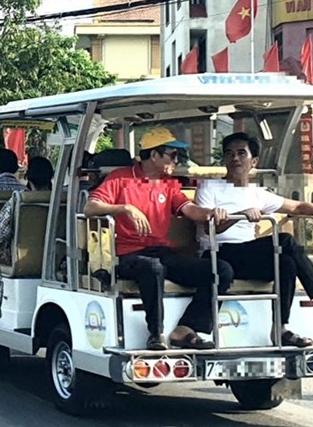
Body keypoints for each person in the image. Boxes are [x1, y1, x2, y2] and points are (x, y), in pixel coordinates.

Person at [84, 128, 233, 351]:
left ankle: (187, 328)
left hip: (162, 252)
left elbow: (189, 209)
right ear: (154, 155)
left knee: (221, 269)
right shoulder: (120, 178)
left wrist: (211, 213)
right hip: (128, 254)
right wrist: (125, 208)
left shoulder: (168, 184)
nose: (177, 160)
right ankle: (155, 333)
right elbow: (89, 207)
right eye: (173, 155)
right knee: (151, 267)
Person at [195, 132, 313, 347]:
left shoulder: (258, 193)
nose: (235, 159)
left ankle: (280, 329)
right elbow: (210, 228)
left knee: (286, 263)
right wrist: (242, 215)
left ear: (253, 161)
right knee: (285, 240)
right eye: (229, 154)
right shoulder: (209, 188)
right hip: (219, 254)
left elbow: (298, 207)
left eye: (241, 153)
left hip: (246, 256)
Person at [0, 157, 54, 318]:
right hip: (55, 258)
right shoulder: (61, 200)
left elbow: (0, 233)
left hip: (21, 258)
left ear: (28, 176)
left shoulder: (19, 199)